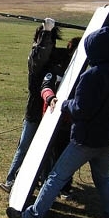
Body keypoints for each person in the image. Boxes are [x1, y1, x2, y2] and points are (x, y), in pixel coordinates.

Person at [7, 25, 109, 218]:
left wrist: (63, 104)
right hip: (108, 139)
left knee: (56, 177)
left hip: (85, 140)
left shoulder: (91, 77)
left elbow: (80, 110)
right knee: (104, 179)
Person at [0, 18, 61, 193]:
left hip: (47, 109)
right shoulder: (37, 55)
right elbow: (40, 55)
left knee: (45, 149)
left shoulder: (51, 55)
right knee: (26, 146)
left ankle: (44, 184)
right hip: (37, 109)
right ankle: (12, 181)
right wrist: (47, 32)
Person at [38, 37, 81, 199]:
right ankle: (45, 184)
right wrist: (50, 98)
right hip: (50, 119)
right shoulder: (56, 69)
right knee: (47, 155)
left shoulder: (83, 73)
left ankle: (65, 186)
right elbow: (45, 86)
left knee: (65, 155)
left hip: (69, 122)